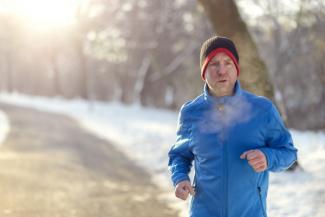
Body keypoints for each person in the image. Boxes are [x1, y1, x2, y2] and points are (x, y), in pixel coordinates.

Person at [168, 36, 297, 217]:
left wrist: (268, 157)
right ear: (203, 71)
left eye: (228, 63)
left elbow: (288, 152)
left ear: (237, 69)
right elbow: (179, 155)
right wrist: (180, 178)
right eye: (214, 64)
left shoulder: (262, 110)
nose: (222, 71)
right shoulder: (191, 112)